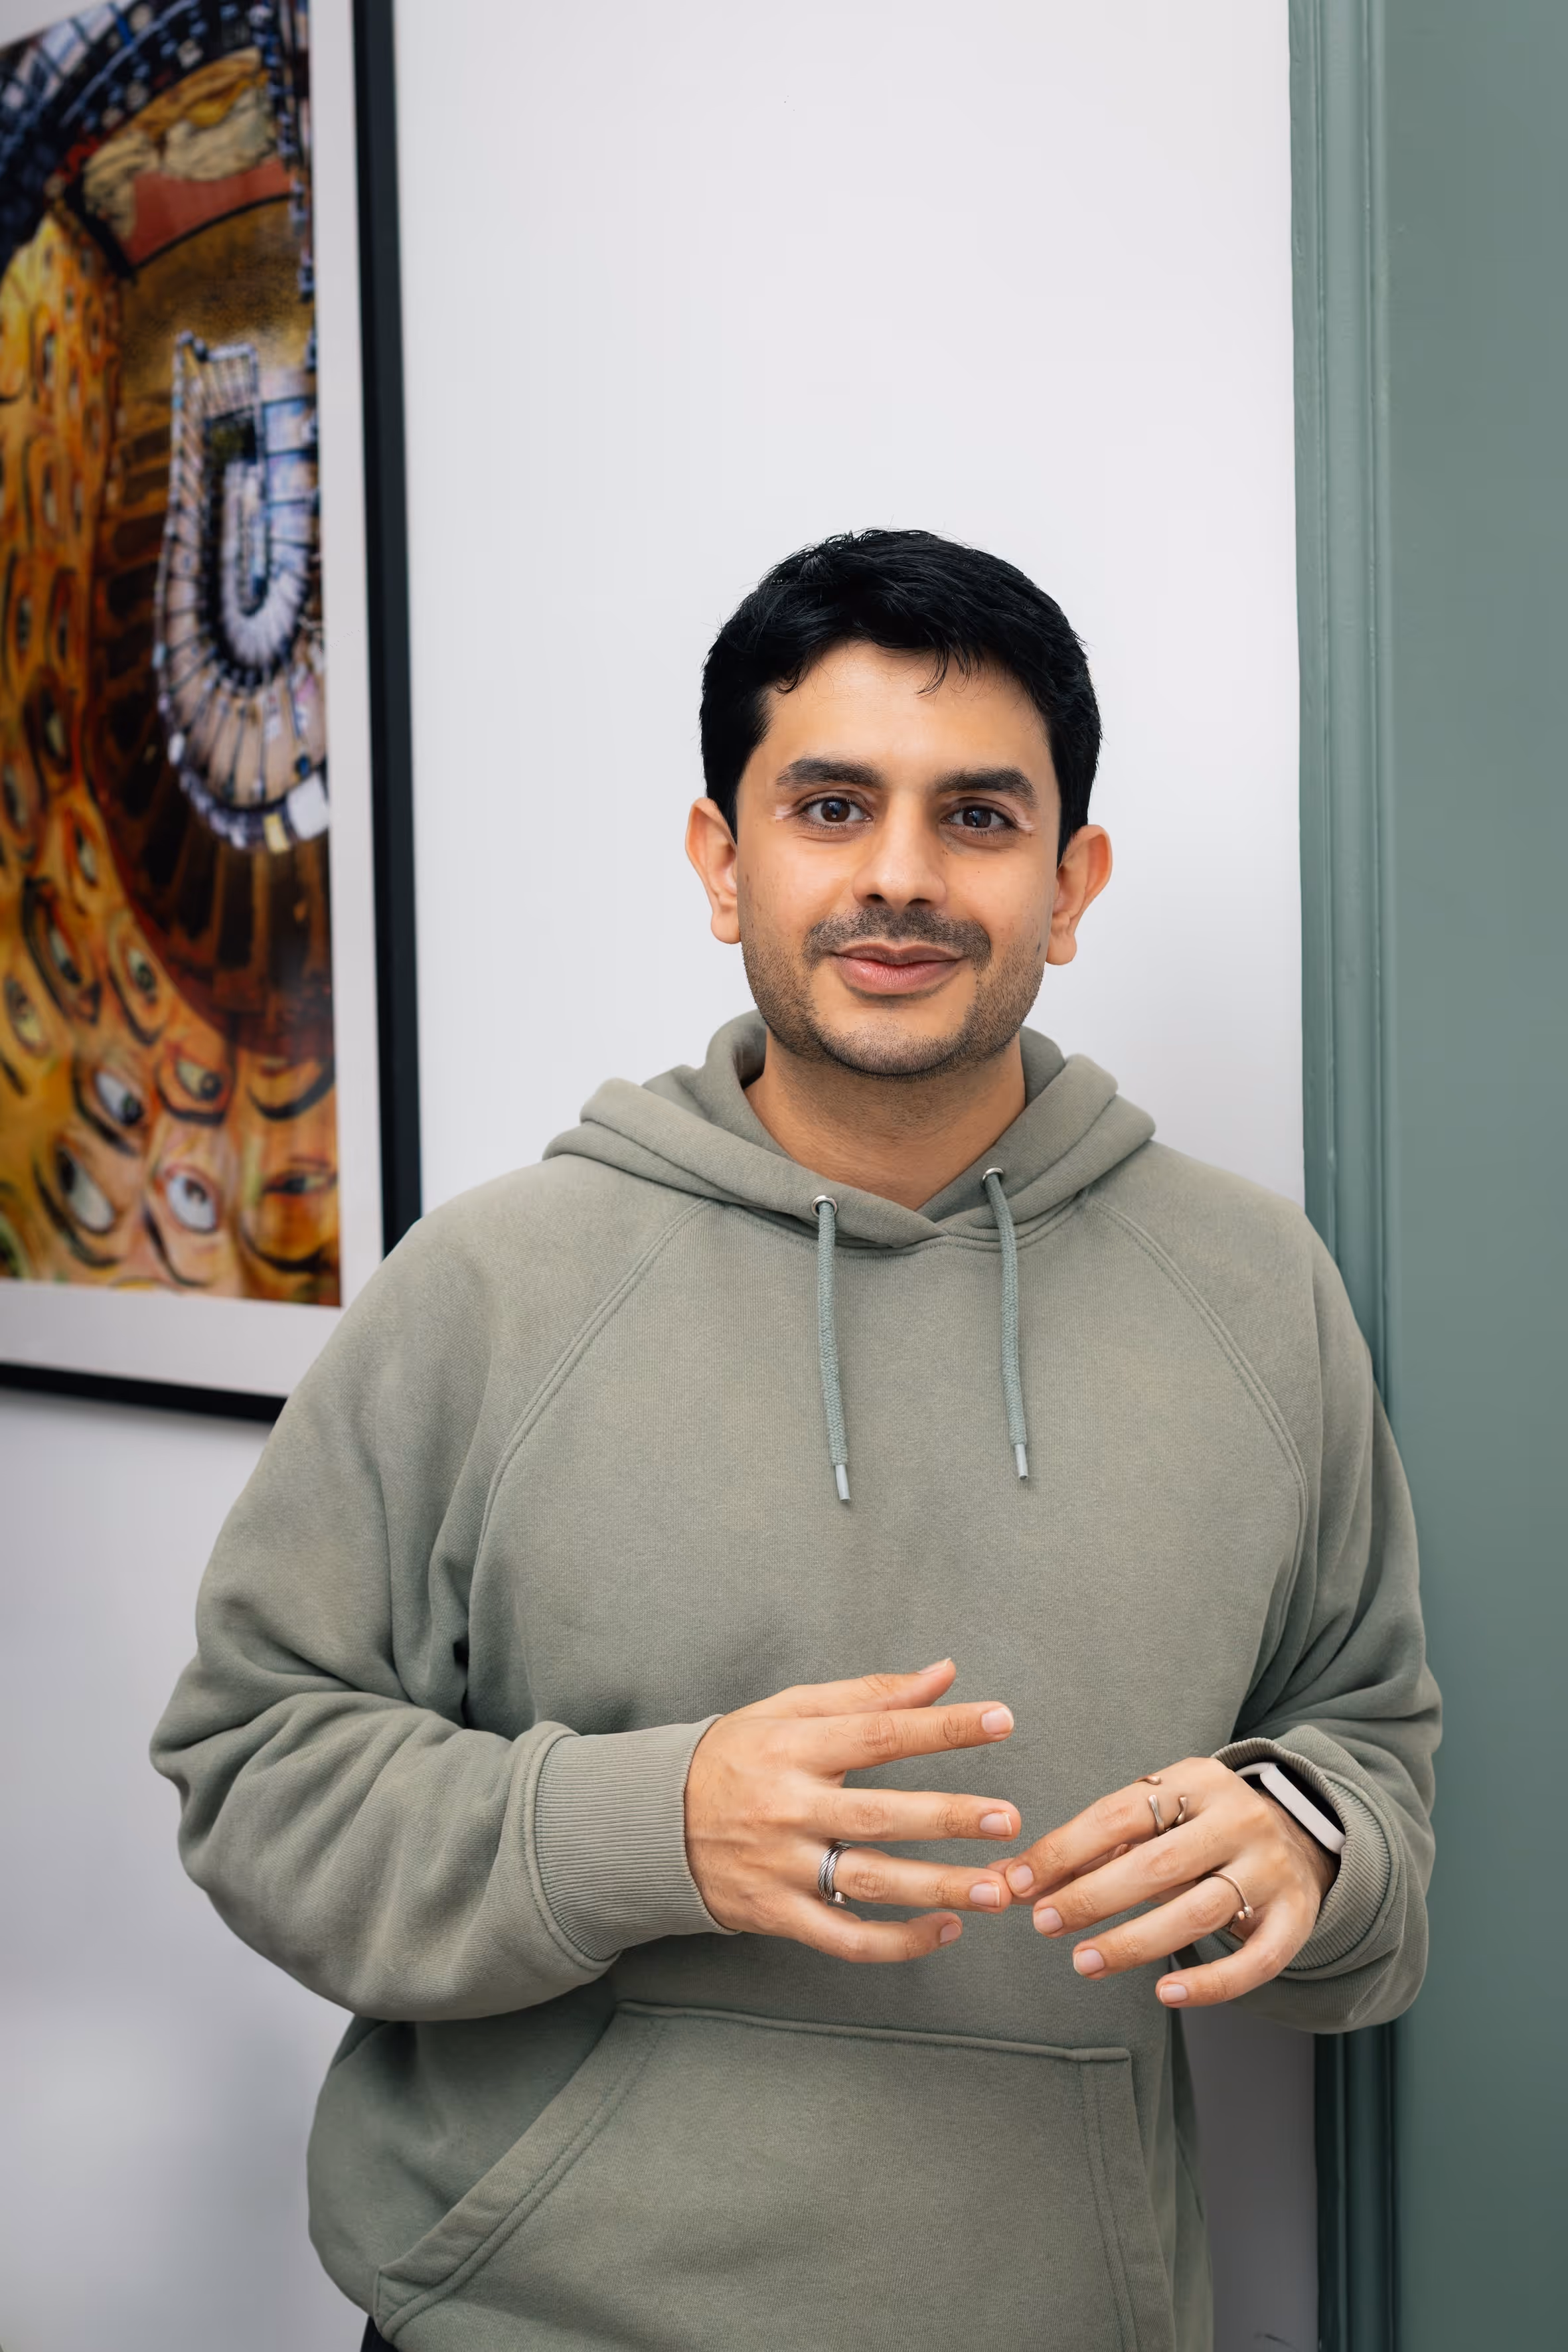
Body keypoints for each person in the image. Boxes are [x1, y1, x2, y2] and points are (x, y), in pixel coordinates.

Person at [153, 530, 1438, 2352]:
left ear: (1071, 884)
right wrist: (648, 1823)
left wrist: (1306, 1844)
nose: (900, 877)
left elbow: (1366, 1747)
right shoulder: (499, 1286)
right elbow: (254, 1769)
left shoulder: (1257, 1293)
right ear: (721, 857)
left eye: (977, 817)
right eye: (830, 804)